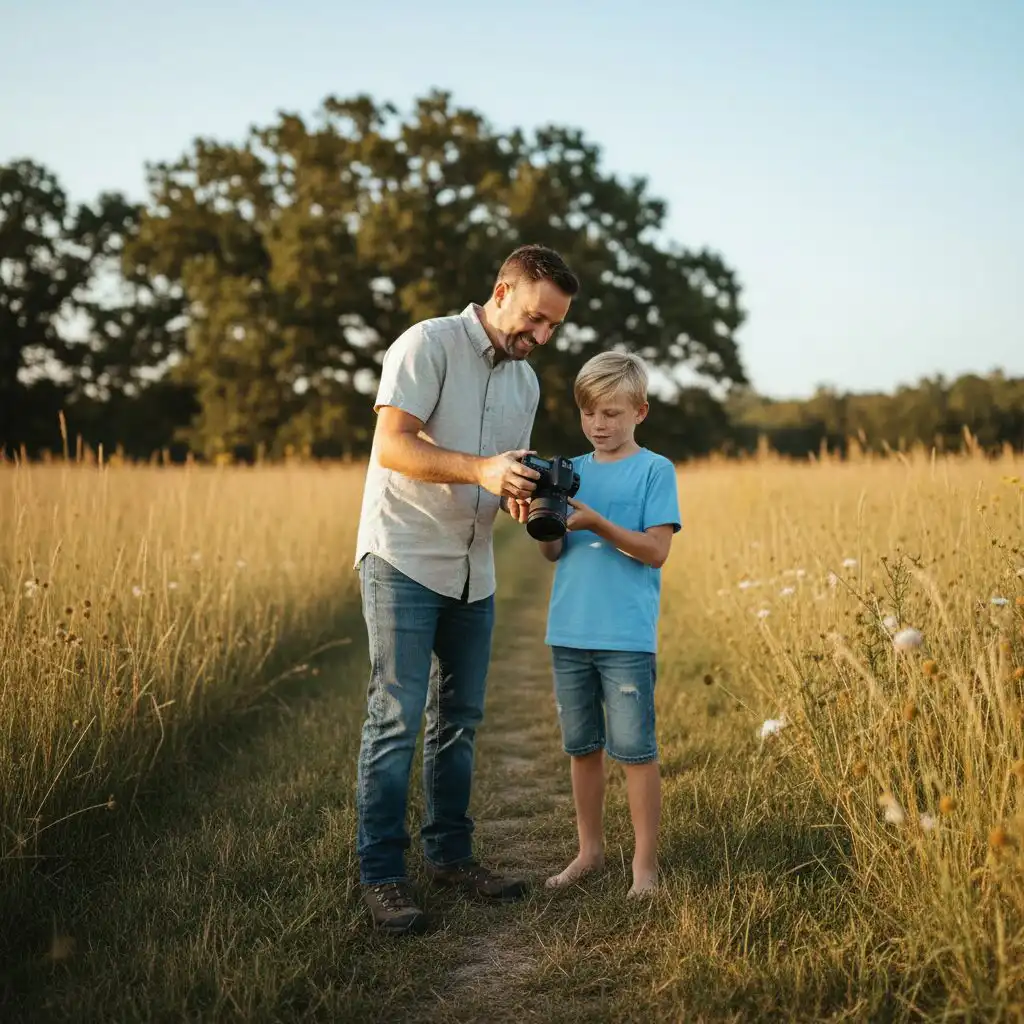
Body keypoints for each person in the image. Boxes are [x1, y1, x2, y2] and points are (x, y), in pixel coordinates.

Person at [353, 244, 580, 934]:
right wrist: (480, 471)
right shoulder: (427, 343)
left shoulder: (526, 384)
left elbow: (500, 473)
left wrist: (526, 500)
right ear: (501, 291)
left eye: (552, 329)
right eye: (535, 320)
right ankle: (383, 876)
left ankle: (451, 856)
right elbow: (393, 445)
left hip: (473, 568)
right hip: (403, 554)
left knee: (459, 722)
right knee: (395, 717)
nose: (539, 338)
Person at [508, 350, 680, 898]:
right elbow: (556, 554)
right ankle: (589, 851)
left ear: (640, 412)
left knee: (635, 752)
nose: (599, 425)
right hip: (569, 633)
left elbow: (655, 552)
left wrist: (599, 521)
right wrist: (540, 518)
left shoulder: (655, 470)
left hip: (625, 637)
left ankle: (644, 867)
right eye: (589, 413)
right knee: (582, 749)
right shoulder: (571, 472)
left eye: (611, 413)